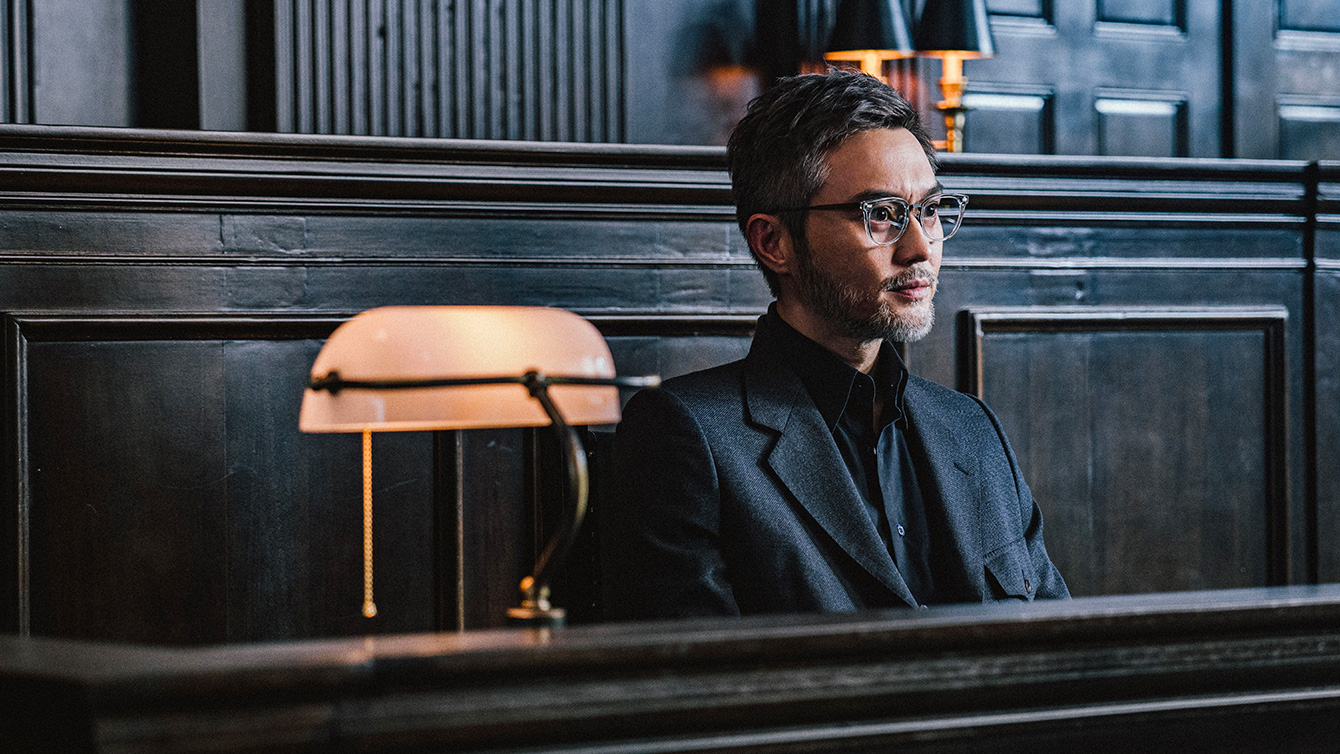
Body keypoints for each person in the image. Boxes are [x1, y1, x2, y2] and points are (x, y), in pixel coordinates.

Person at [601, 70, 1067, 621]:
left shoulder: (972, 429)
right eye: (882, 215)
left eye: (931, 211)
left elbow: (1054, 648)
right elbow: (706, 689)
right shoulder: (683, 436)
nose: (921, 248)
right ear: (773, 243)